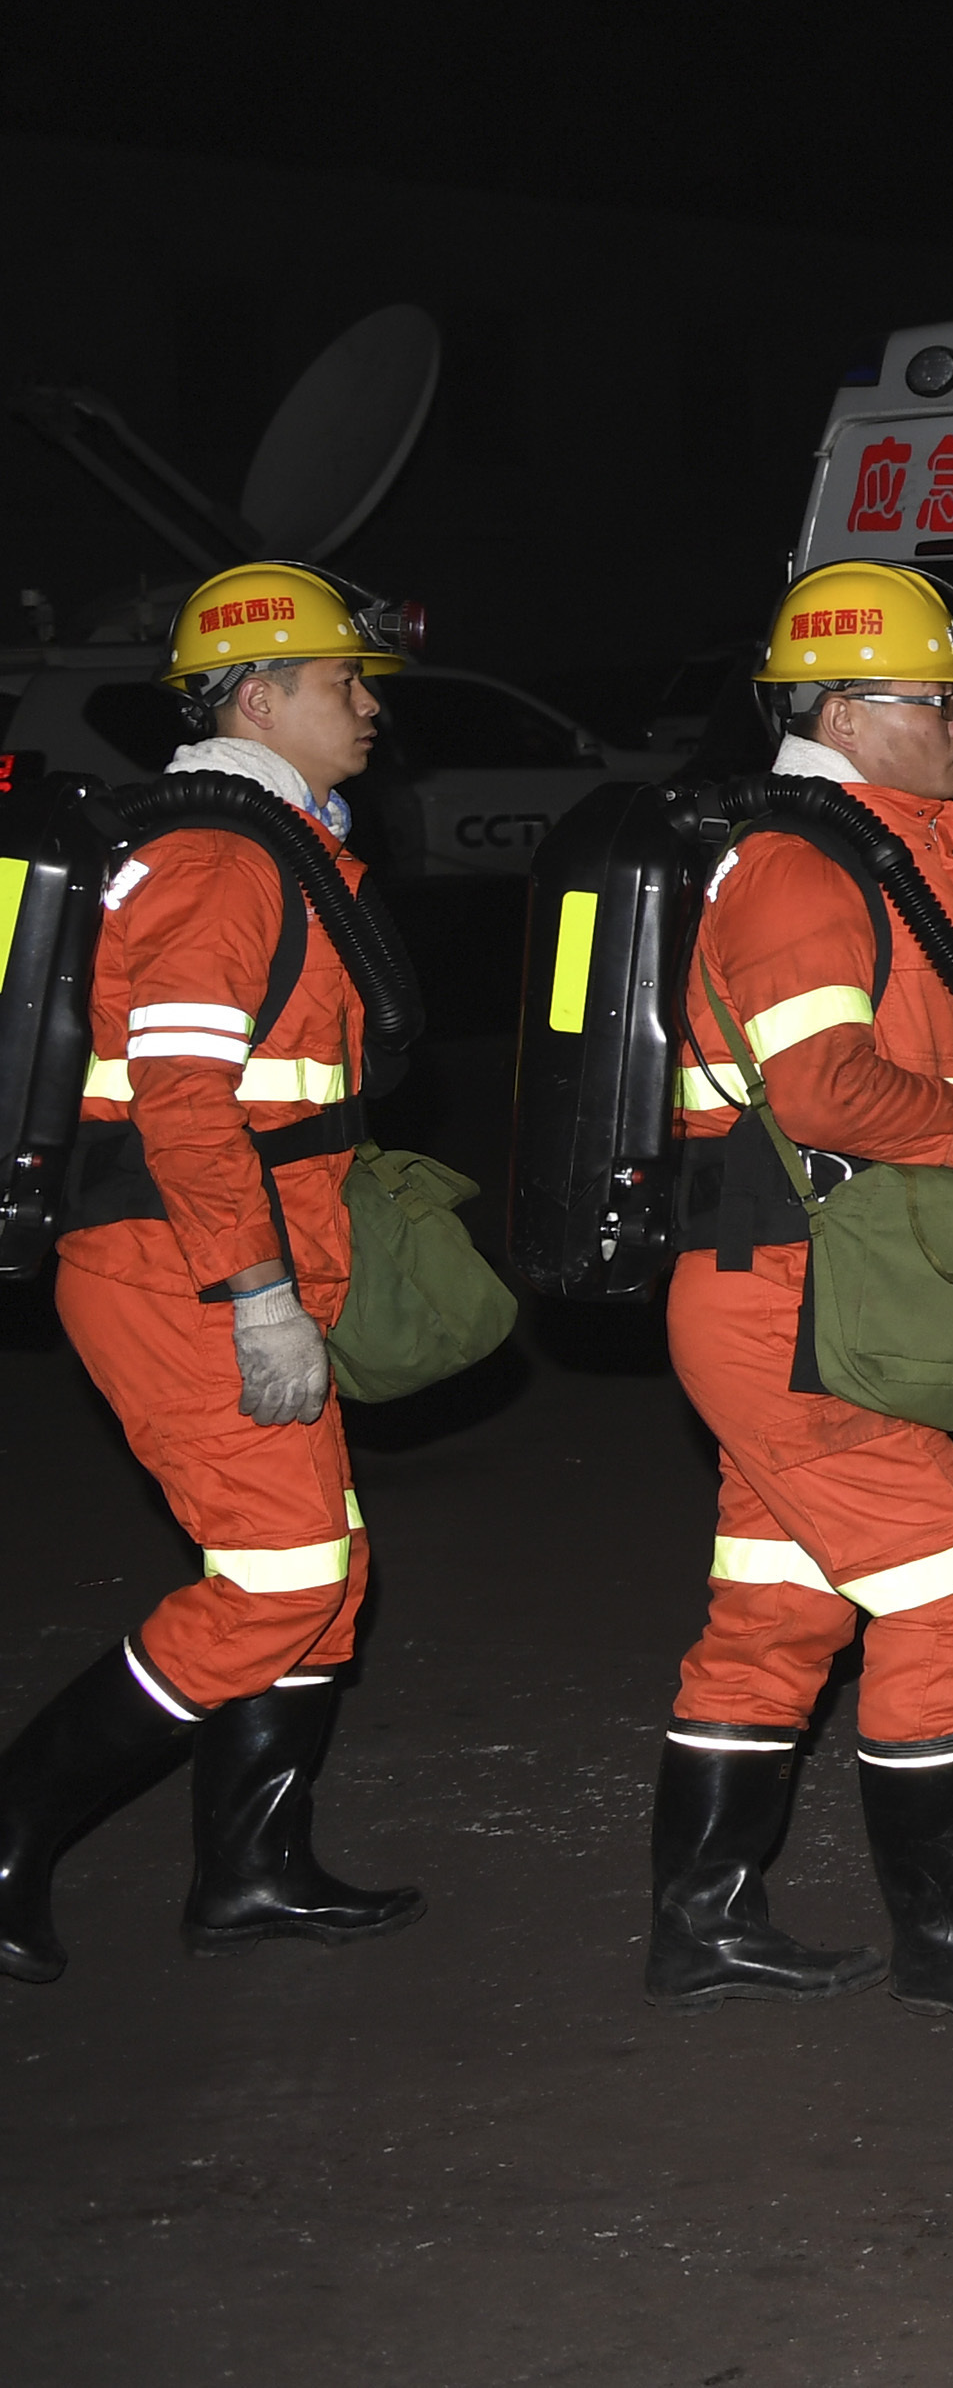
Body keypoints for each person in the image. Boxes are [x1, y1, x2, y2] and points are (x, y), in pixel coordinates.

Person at [648, 560, 953, 2026]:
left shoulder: (876, 848)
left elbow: (905, 1053)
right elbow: (818, 1086)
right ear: (844, 709)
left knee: (778, 1615)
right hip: (789, 1300)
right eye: (937, 699)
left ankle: (703, 1922)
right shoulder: (804, 865)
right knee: (947, 1595)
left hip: (804, 1285)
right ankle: (946, 1935)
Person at [0, 565, 430, 1983]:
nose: (369, 706)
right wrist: (256, 1293)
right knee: (279, 1573)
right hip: (174, 1265)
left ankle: (253, 1869)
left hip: (227, 1250)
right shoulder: (219, 860)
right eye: (342, 681)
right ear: (260, 694)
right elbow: (187, 1106)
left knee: (324, 1566)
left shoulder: (270, 842)